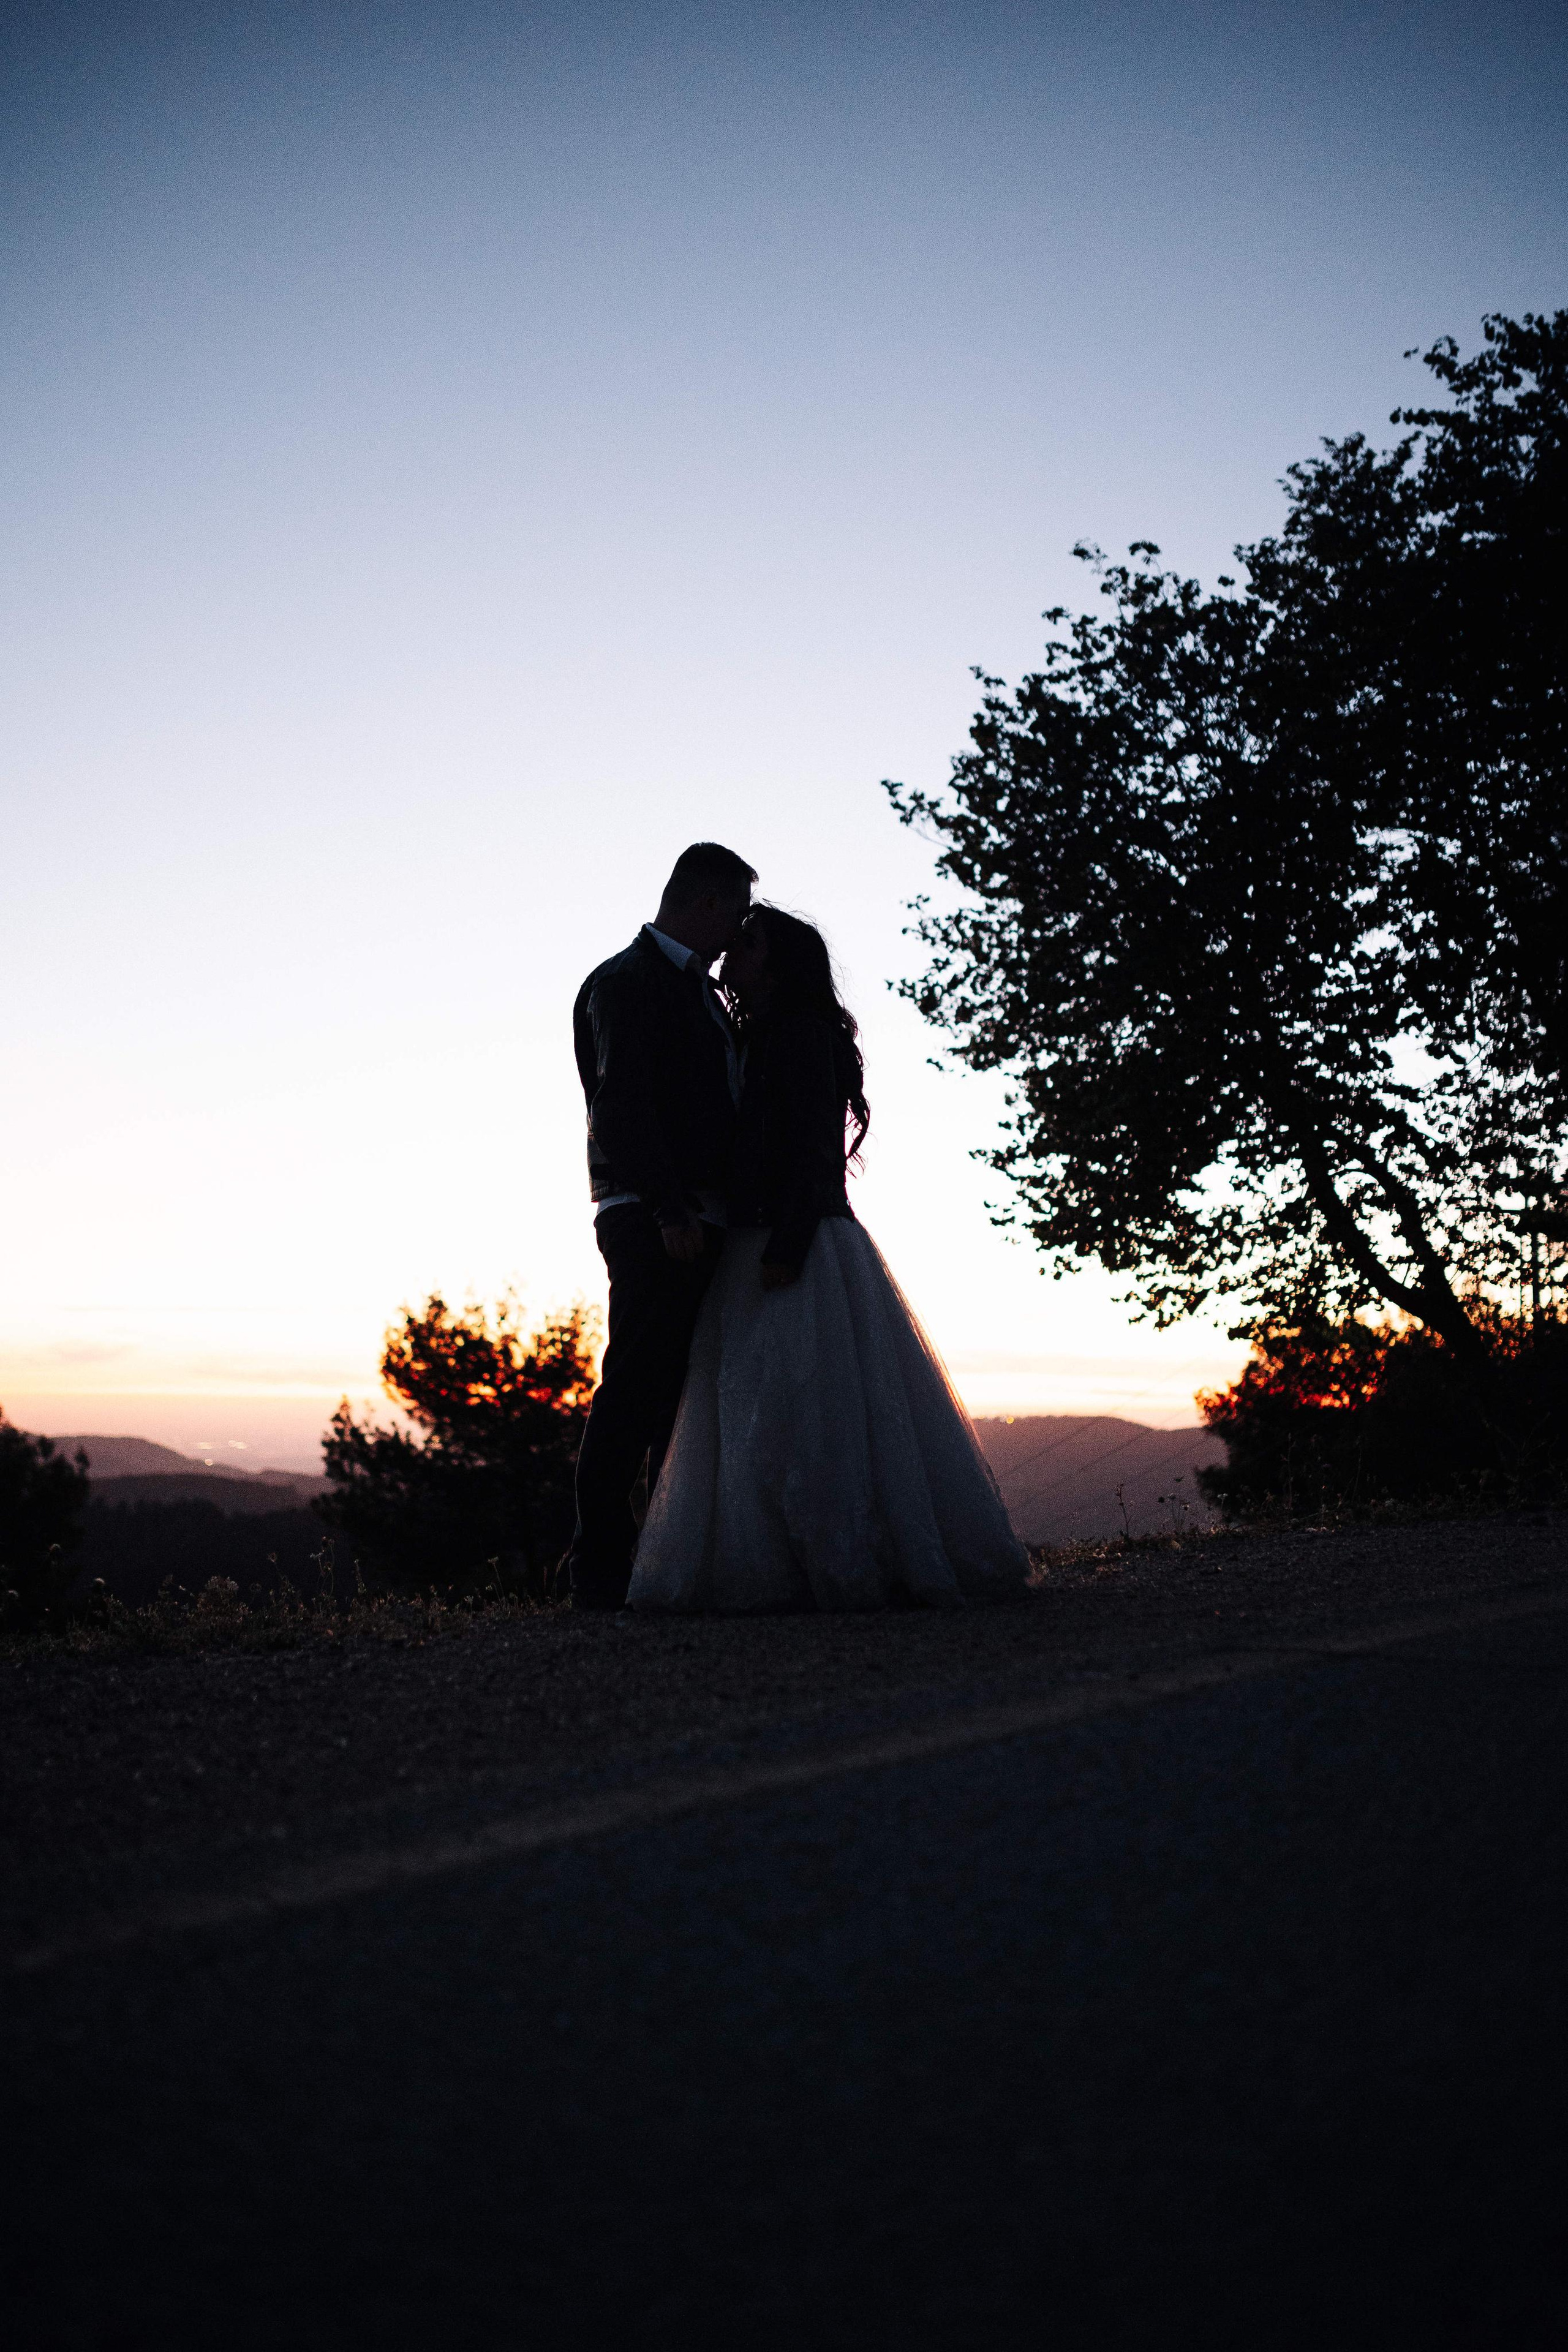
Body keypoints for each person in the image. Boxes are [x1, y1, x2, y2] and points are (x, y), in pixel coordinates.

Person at [628, 905, 1029, 1612]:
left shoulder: (801, 1036)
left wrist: (784, 1248)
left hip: (800, 1244)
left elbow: (814, 1151)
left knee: (816, 1409)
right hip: (761, 1240)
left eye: (747, 944)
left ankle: (845, 1561)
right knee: (754, 1406)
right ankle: (776, 1562)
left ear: (779, 964)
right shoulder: (754, 1036)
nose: (731, 954)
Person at [566, 840, 758, 1608]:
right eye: (735, 915)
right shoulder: (626, 981)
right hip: (650, 1214)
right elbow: (620, 1106)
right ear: (706, 903)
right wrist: (670, 1208)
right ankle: (599, 1568)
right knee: (635, 1383)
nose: (738, 935)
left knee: (677, 1387)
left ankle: (659, 1559)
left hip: (697, 1213)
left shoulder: (700, 992)